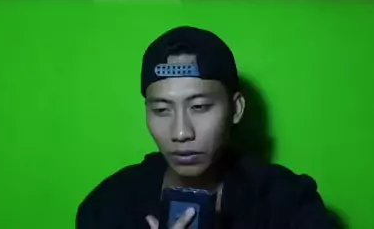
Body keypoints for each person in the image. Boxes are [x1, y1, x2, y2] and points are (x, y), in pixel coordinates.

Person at [76, 26, 338, 228]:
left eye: (199, 107)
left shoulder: (288, 201)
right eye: (162, 110)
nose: (181, 133)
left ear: (236, 109)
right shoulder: (109, 206)